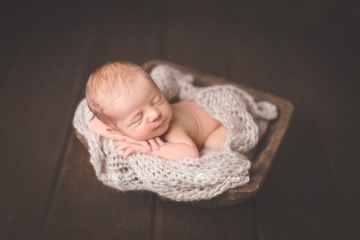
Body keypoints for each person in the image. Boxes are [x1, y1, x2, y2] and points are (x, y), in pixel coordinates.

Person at [86, 61, 228, 161]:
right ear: (115, 129)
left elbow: (191, 154)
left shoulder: (173, 129)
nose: (155, 114)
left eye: (157, 100)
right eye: (138, 118)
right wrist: (123, 136)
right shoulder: (116, 124)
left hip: (220, 124)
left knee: (212, 147)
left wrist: (152, 150)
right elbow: (94, 125)